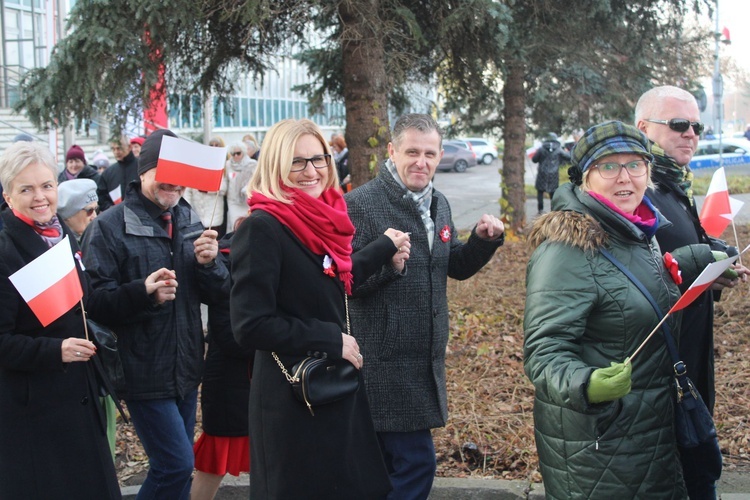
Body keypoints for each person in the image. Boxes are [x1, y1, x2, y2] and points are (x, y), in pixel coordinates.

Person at [523, 121, 718, 498]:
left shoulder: (635, 228)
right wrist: (587, 383)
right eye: (609, 167)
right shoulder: (565, 251)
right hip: (603, 448)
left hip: (650, 432)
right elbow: (544, 354)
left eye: (635, 165)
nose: (624, 177)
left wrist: (690, 260)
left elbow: (623, 285)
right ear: (585, 178)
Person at [230, 118, 410, 499]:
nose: (311, 171)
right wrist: (331, 339)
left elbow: (332, 279)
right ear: (276, 164)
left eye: (319, 159)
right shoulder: (262, 227)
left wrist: (383, 248)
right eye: (297, 162)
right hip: (294, 397)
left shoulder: (324, 218)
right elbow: (249, 325)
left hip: (333, 387)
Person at [344, 113, 505, 500]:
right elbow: (345, 281)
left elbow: (452, 267)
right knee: (416, 465)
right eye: (412, 151)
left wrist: (483, 241)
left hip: (424, 359)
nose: (422, 162)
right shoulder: (360, 204)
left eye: (430, 153)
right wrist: (389, 266)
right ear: (392, 151)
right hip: (382, 363)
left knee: (384, 471)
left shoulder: (440, 203)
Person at [0, 141, 173, 499]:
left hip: (80, 398)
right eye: (26, 188)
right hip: (34, 413)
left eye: (47, 186)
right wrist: (54, 350)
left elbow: (86, 302)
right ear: (8, 195)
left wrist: (141, 291)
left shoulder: (60, 232)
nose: (40, 197)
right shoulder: (6, 249)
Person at [82, 129, 230, 499]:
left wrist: (209, 265)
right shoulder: (108, 226)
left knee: (177, 470)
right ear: (144, 171)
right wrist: (144, 294)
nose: (176, 185)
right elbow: (95, 303)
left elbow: (220, 294)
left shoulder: (188, 216)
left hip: (185, 367)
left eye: (182, 178)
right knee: (175, 466)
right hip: (141, 369)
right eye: (166, 175)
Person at [636, 85, 749, 499]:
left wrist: (716, 268)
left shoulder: (674, 185)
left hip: (691, 363)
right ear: (643, 128)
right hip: (657, 377)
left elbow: (681, 257)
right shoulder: (638, 192)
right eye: (679, 124)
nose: (691, 134)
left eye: (697, 126)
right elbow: (635, 275)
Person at [191, 218, 253, 500]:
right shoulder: (227, 261)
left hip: (260, 384)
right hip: (231, 385)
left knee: (271, 460)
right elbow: (232, 337)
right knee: (214, 463)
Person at [531, 132, 570, 214]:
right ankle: (553, 210)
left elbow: (534, 160)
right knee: (553, 192)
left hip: (542, 173)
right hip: (554, 174)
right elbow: (568, 157)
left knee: (540, 191)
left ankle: (540, 209)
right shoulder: (559, 149)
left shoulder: (541, 148)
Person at [98, 135, 139, 211]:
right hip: (116, 217)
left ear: (129, 147)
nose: (116, 152)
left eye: (119, 148)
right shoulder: (108, 173)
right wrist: (111, 209)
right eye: (113, 149)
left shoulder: (141, 166)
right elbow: (101, 196)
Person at [224, 142, 256, 231]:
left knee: (246, 225)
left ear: (244, 152)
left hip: (247, 201)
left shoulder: (252, 164)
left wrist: (247, 189)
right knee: (235, 225)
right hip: (233, 201)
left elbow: (256, 182)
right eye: (233, 154)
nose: (236, 156)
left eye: (238, 153)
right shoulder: (228, 165)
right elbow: (225, 182)